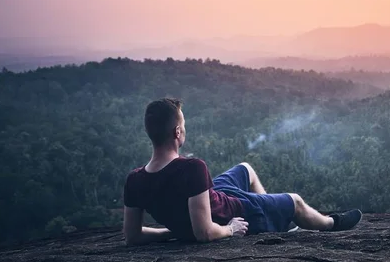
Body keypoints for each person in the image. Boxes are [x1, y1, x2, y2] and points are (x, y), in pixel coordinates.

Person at [123, 98, 362, 245]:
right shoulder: (192, 168)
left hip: (214, 196)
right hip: (237, 211)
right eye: (183, 125)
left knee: (245, 169)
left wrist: (171, 232)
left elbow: (133, 237)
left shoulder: (135, 180)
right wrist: (230, 229)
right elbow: (204, 232)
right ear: (177, 132)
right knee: (296, 201)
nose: (185, 130)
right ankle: (332, 223)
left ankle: (277, 218)